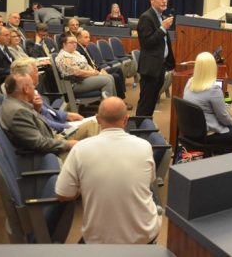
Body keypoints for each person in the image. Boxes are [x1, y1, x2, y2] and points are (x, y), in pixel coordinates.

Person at [55, 97, 161, 244]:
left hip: (98, 241)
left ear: (97, 119)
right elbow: (150, 181)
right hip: (144, 236)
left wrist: (83, 186)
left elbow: (62, 194)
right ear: (126, 120)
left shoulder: (80, 148)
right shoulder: (144, 146)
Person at [183, 52, 232, 150]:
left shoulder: (190, 82)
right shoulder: (213, 89)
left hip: (190, 132)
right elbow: (223, 117)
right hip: (207, 135)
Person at [10, 58, 94, 137]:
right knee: (94, 125)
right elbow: (43, 122)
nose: (38, 75)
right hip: (57, 133)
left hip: (59, 125)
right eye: (36, 72)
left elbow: (50, 111)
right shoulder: (24, 96)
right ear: (28, 75)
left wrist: (66, 115)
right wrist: (67, 126)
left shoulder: (33, 90)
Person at [0, 74, 77, 155]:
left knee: (89, 126)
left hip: (53, 140)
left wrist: (37, 110)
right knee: (89, 135)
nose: (34, 88)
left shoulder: (13, 103)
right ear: (26, 89)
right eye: (32, 85)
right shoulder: (19, 111)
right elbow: (39, 143)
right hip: (51, 153)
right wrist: (69, 144)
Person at [136, 0, 175, 118]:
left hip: (160, 67)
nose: (164, 1)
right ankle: (139, 131)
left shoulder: (160, 17)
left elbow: (162, 42)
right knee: (145, 104)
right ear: (152, 1)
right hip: (150, 68)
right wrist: (163, 28)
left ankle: (147, 127)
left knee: (152, 102)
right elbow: (147, 43)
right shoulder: (146, 17)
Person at [76, 29, 131, 109]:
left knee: (118, 69)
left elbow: (92, 62)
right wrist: (98, 71)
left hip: (95, 69)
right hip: (91, 73)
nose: (88, 39)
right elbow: (86, 66)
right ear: (79, 39)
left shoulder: (85, 47)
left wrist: (100, 69)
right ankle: (119, 100)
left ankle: (121, 95)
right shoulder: (78, 50)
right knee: (115, 76)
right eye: (86, 37)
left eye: (89, 37)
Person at [55, 34, 117, 99]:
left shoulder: (75, 52)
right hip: (76, 83)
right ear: (64, 44)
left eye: (75, 42)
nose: (74, 44)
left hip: (85, 78)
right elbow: (77, 72)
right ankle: (108, 106)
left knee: (110, 77)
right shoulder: (63, 57)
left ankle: (114, 102)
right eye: (71, 42)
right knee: (107, 80)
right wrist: (93, 73)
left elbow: (86, 64)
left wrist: (96, 72)